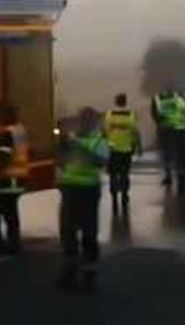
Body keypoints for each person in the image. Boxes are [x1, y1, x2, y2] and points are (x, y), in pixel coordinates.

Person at [57, 107, 110, 292]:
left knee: (88, 232)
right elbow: (61, 161)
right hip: (69, 189)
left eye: (87, 119)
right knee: (68, 232)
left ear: (93, 122)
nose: (83, 123)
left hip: (88, 190)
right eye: (81, 119)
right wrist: (62, 145)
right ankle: (69, 271)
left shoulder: (99, 140)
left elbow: (102, 161)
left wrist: (82, 150)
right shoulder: (71, 140)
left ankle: (89, 274)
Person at [0, 102, 30, 252]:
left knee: (7, 210)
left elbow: (4, 156)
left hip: (8, 177)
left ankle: (12, 242)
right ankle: (4, 237)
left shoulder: (6, 133)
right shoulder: (19, 130)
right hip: (18, 176)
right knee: (5, 208)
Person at [104, 93, 142, 213]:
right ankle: (124, 195)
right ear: (125, 102)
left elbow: (105, 132)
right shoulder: (130, 116)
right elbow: (135, 132)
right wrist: (139, 147)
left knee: (113, 175)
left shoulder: (109, 115)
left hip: (112, 150)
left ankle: (114, 197)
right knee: (124, 174)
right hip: (126, 150)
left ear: (116, 102)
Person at [151, 89, 175, 186]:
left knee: (166, 153)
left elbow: (154, 113)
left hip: (164, 128)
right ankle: (171, 175)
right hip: (172, 127)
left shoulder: (157, 98)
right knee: (169, 152)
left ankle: (169, 175)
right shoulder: (175, 97)